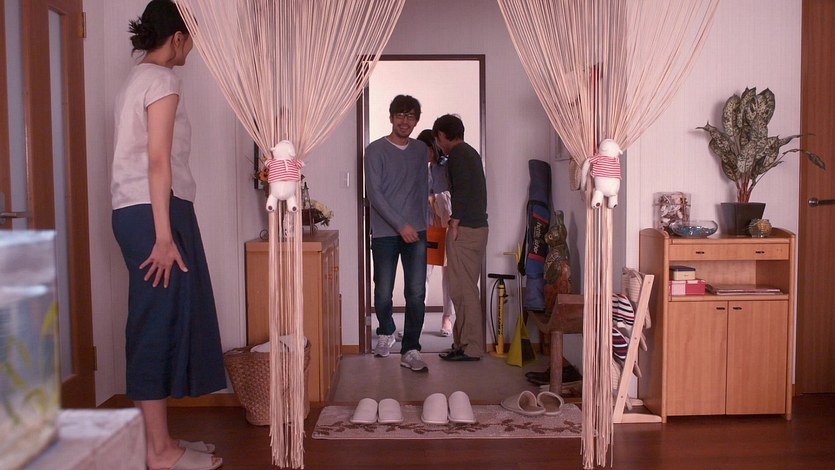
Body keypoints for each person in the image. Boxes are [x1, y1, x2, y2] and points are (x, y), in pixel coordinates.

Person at [111, 1, 224, 469]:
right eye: (190, 40)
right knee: (156, 324)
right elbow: (158, 160)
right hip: (155, 213)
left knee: (156, 319)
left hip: (139, 210)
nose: (191, 50)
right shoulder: (162, 80)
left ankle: (159, 443)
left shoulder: (136, 80)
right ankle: (160, 453)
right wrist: (163, 235)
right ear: (177, 37)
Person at [365, 95, 430, 372]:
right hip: (385, 233)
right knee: (382, 292)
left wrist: (422, 222)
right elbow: (374, 194)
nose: (405, 121)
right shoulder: (374, 150)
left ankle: (411, 349)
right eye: (400, 115)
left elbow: (423, 187)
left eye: (411, 116)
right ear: (391, 117)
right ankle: (386, 330)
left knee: (416, 292)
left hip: (417, 231)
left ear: (416, 121)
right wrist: (400, 224)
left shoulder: (421, 150)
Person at [433, 114, 489, 362]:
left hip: (466, 229)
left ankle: (471, 347)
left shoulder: (458, 155)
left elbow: (463, 191)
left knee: (463, 290)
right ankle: (462, 343)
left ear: (442, 135)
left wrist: (454, 222)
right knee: (462, 288)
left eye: (438, 138)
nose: (438, 144)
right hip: (475, 228)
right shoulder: (469, 153)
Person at [416, 129, 456, 337]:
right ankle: (418, 320)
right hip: (427, 224)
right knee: (422, 273)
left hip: (447, 224)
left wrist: (436, 199)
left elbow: (451, 196)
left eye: (426, 149)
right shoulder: (422, 169)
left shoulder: (446, 166)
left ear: (433, 147)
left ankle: (447, 317)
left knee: (448, 274)